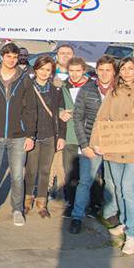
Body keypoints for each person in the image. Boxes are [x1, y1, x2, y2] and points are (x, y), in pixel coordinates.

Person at [93, 57, 134, 255]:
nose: (128, 72)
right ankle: (124, 222)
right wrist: (98, 142)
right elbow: (101, 118)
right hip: (114, 148)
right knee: (118, 188)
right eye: (124, 69)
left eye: (131, 68)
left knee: (128, 189)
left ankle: (133, 234)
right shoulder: (113, 93)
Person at [0, 43, 36, 226]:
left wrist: (30, 135)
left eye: (15, 57)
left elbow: (30, 109)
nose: (11, 60)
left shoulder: (24, 78)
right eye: (8, 56)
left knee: (18, 176)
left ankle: (17, 210)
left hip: (18, 135)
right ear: (2, 56)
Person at [68, 55, 122, 235]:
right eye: (101, 70)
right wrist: (85, 145)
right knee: (85, 182)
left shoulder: (120, 90)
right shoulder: (87, 89)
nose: (104, 74)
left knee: (113, 183)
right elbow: (77, 118)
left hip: (114, 144)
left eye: (108, 70)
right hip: (91, 144)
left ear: (114, 72)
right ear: (96, 71)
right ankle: (77, 216)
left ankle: (109, 213)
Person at [24, 55, 66, 218]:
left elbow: (61, 114)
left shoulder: (56, 89)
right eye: (41, 69)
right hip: (33, 135)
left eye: (48, 70)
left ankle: (42, 203)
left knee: (44, 171)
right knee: (30, 170)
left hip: (50, 135)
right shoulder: (27, 87)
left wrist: (61, 136)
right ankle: (27, 200)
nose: (44, 72)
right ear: (35, 69)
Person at [58, 58, 88, 215]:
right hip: (69, 135)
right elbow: (56, 105)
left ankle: (90, 204)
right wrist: (60, 112)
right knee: (70, 171)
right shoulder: (62, 86)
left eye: (78, 71)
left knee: (88, 174)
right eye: (71, 71)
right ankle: (70, 203)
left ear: (83, 70)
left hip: (87, 137)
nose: (75, 74)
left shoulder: (91, 86)